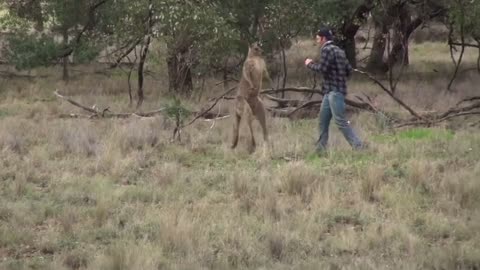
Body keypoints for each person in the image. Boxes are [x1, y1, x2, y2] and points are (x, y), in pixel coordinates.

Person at [305, 27, 364, 154]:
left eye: (317, 38)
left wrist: (310, 64)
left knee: (341, 121)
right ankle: (320, 149)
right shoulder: (339, 50)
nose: (317, 41)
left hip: (334, 92)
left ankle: (358, 146)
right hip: (332, 91)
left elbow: (323, 69)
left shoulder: (326, 50)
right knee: (323, 120)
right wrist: (339, 77)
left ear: (323, 38)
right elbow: (349, 70)